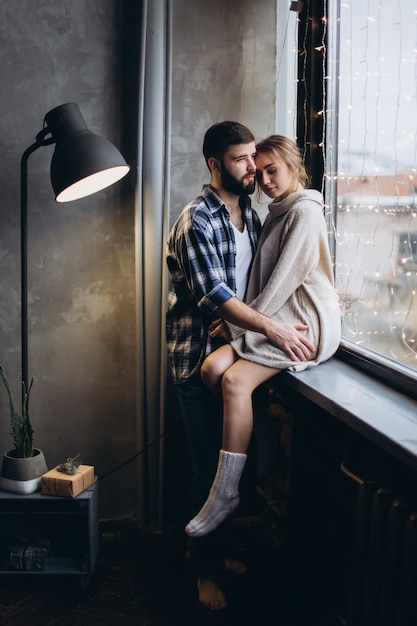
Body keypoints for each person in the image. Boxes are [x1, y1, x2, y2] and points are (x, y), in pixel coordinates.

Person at [166, 124, 314, 610]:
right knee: (206, 467)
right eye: (240, 159)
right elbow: (217, 296)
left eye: (255, 158)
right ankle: (205, 572)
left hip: (233, 348)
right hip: (194, 361)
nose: (252, 168)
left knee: (224, 467)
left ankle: (205, 553)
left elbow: (258, 285)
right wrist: (269, 329)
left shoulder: (251, 215)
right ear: (214, 163)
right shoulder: (197, 221)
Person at [184, 134, 341, 539]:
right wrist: (246, 323)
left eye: (272, 170)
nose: (264, 178)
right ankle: (251, 450)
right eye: (258, 169)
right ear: (216, 164)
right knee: (211, 367)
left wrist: (238, 325)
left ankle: (227, 492)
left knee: (234, 380)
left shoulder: (304, 212)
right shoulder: (271, 212)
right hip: (275, 316)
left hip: (302, 323)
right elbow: (260, 280)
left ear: (293, 167)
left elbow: (283, 281)